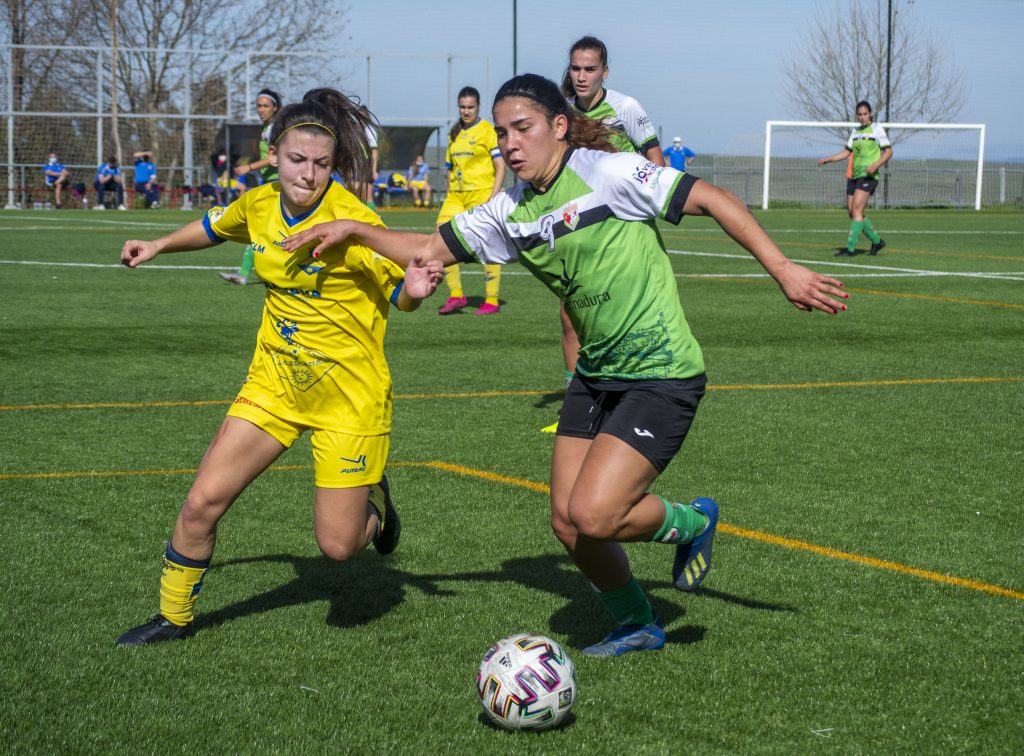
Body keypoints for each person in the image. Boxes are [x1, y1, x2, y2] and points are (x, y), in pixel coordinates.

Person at [283, 73, 849, 657]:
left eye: (521, 129)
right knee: (567, 522)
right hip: (596, 376)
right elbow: (429, 249)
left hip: (661, 371)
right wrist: (354, 228)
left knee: (594, 514)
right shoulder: (510, 210)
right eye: (501, 133)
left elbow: (711, 198)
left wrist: (783, 269)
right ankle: (637, 622)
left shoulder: (609, 173)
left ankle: (690, 522)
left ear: (558, 127)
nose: (509, 144)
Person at [114, 87, 444, 647]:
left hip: (349, 396)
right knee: (201, 503)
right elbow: (215, 225)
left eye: (320, 164)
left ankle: (376, 505)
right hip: (274, 386)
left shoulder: (353, 220)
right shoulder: (260, 202)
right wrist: (159, 243)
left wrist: (412, 291)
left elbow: (403, 292)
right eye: (296, 160)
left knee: (339, 547)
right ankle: (173, 617)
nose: (308, 175)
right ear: (273, 156)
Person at [549, 36, 667, 423]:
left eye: (589, 69)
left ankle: (631, 400)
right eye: (575, 68)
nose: (581, 76)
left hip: (624, 228)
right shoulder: (562, 112)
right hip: (582, 225)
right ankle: (577, 407)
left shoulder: (625, 107)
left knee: (618, 315)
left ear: (604, 71)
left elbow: (655, 160)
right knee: (570, 314)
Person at [435, 85, 507, 316]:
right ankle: (456, 295)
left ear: (478, 107)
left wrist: (493, 196)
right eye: (463, 107)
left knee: (486, 244)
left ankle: (492, 299)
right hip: (456, 195)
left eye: (471, 107)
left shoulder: (487, 130)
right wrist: (448, 193)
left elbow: (500, 165)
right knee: (441, 237)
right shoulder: (453, 134)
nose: (466, 111)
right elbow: (449, 168)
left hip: (482, 193)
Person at [222, 88, 283, 285]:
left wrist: (248, 167)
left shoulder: (274, 128)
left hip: (277, 182)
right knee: (265, 228)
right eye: (259, 105)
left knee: (259, 226)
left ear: (275, 107)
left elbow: (274, 158)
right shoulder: (267, 128)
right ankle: (245, 270)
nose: (261, 109)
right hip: (269, 182)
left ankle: (243, 272)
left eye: (265, 106)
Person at [818, 100, 892, 257]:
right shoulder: (855, 131)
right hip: (854, 175)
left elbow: (888, 152)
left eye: (865, 114)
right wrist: (828, 159)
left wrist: (875, 166)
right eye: (860, 114)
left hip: (868, 175)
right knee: (852, 213)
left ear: (870, 113)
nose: (863, 117)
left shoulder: (877, 129)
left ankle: (850, 249)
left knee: (857, 210)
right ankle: (877, 241)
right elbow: (846, 152)